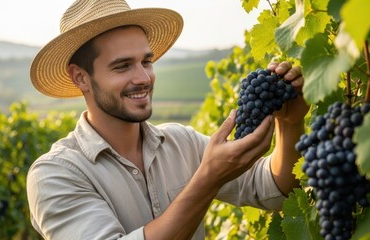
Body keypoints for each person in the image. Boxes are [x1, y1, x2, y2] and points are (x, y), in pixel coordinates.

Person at [26, 0, 309, 239]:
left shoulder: (181, 142)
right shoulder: (56, 174)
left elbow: (276, 189)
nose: (143, 78)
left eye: (146, 62)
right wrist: (208, 178)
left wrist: (289, 123)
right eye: (123, 66)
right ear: (81, 78)